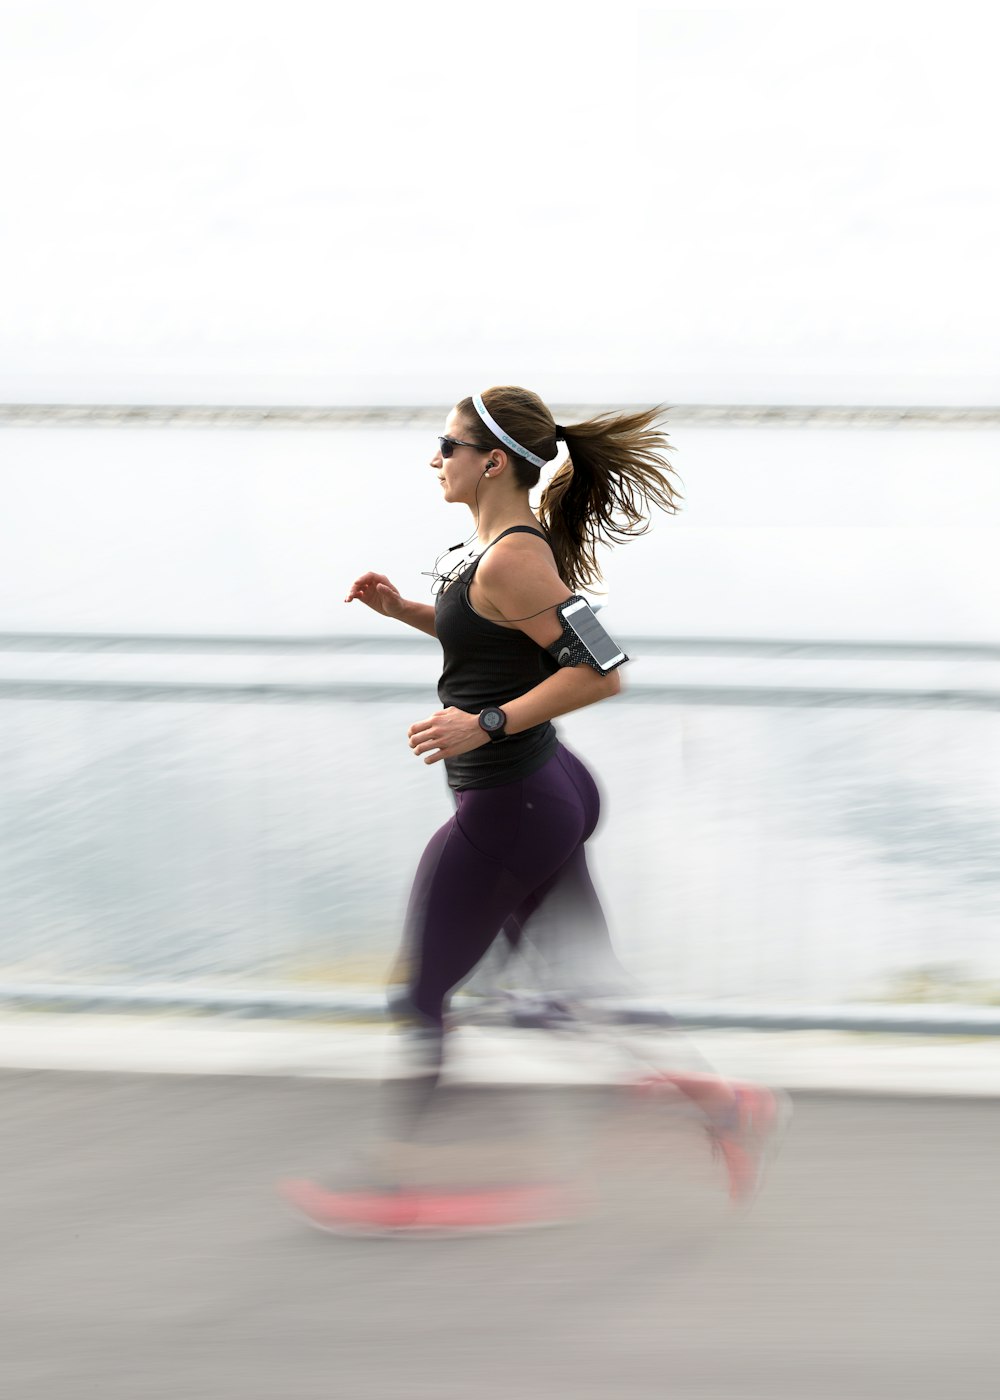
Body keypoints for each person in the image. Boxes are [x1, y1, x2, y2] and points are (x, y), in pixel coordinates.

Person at [280, 386, 784, 1234]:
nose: (434, 459)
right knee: (582, 983)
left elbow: (602, 669)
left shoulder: (516, 555)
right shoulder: (494, 551)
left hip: (514, 800)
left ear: (492, 461)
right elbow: (495, 636)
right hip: (544, 792)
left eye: (446, 445)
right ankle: (723, 1104)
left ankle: (394, 1184)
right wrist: (404, 609)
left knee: (425, 995)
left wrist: (485, 724)